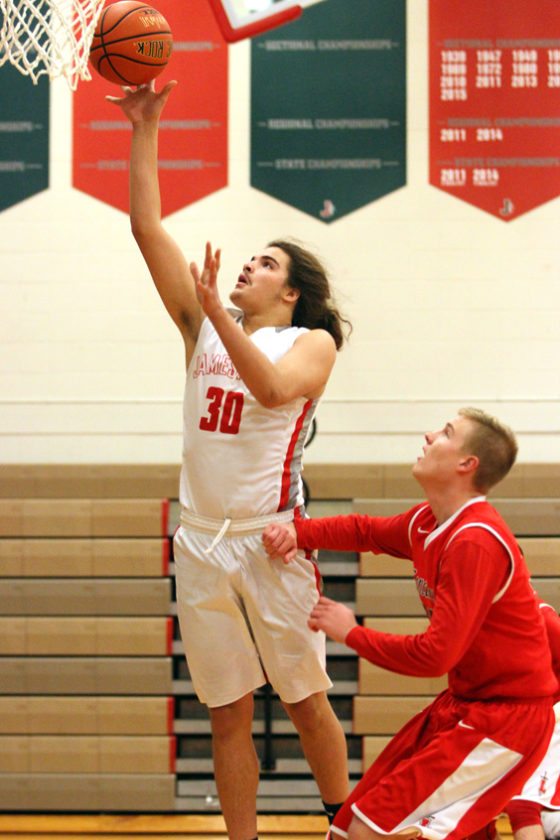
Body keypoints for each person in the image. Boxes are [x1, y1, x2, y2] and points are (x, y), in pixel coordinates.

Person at [108, 79, 351, 840]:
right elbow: (147, 227)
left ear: (293, 291)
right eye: (247, 259)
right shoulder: (203, 325)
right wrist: (144, 127)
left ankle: (343, 822)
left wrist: (217, 310)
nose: (247, 266)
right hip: (201, 541)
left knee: (305, 700)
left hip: (270, 538)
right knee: (226, 713)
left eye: (265, 263)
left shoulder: (312, 341)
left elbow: (273, 391)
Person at [262, 407, 559, 840]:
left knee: (365, 829)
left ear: (466, 464)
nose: (429, 435)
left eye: (446, 433)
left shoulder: (475, 542)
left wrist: (352, 633)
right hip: (466, 704)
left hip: (505, 721)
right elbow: (365, 531)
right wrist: (298, 533)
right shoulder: (428, 521)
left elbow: (435, 655)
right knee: (348, 825)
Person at [471, 598, 560, 840]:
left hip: (544, 719)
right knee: (476, 800)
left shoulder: (542, 619)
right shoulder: (473, 620)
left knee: (522, 803)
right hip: (508, 722)